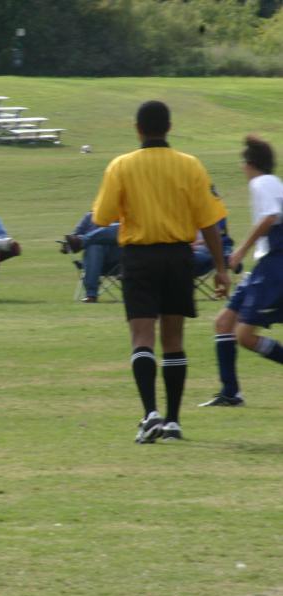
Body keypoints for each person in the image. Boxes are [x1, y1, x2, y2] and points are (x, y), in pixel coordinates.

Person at [91, 100, 230, 443]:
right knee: (173, 340)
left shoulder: (121, 166)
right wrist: (221, 268)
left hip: (139, 256)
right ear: (169, 128)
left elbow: (102, 217)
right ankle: (173, 421)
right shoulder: (190, 166)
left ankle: (150, 413)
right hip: (178, 257)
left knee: (142, 337)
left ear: (137, 129)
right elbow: (209, 222)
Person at [205, 135, 283, 407]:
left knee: (244, 335)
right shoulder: (271, 183)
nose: (241, 168)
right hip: (266, 264)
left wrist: (240, 251)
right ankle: (230, 393)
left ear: (250, 163)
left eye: (242, 163)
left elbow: (271, 217)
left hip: (274, 265)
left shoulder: (262, 183)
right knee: (224, 323)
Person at [61, 212, 121, 303]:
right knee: (94, 246)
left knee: (116, 230)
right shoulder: (90, 217)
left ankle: (91, 294)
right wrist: (67, 245)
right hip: (93, 263)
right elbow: (73, 237)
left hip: (119, 264)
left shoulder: (125, 217)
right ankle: (91, 295)